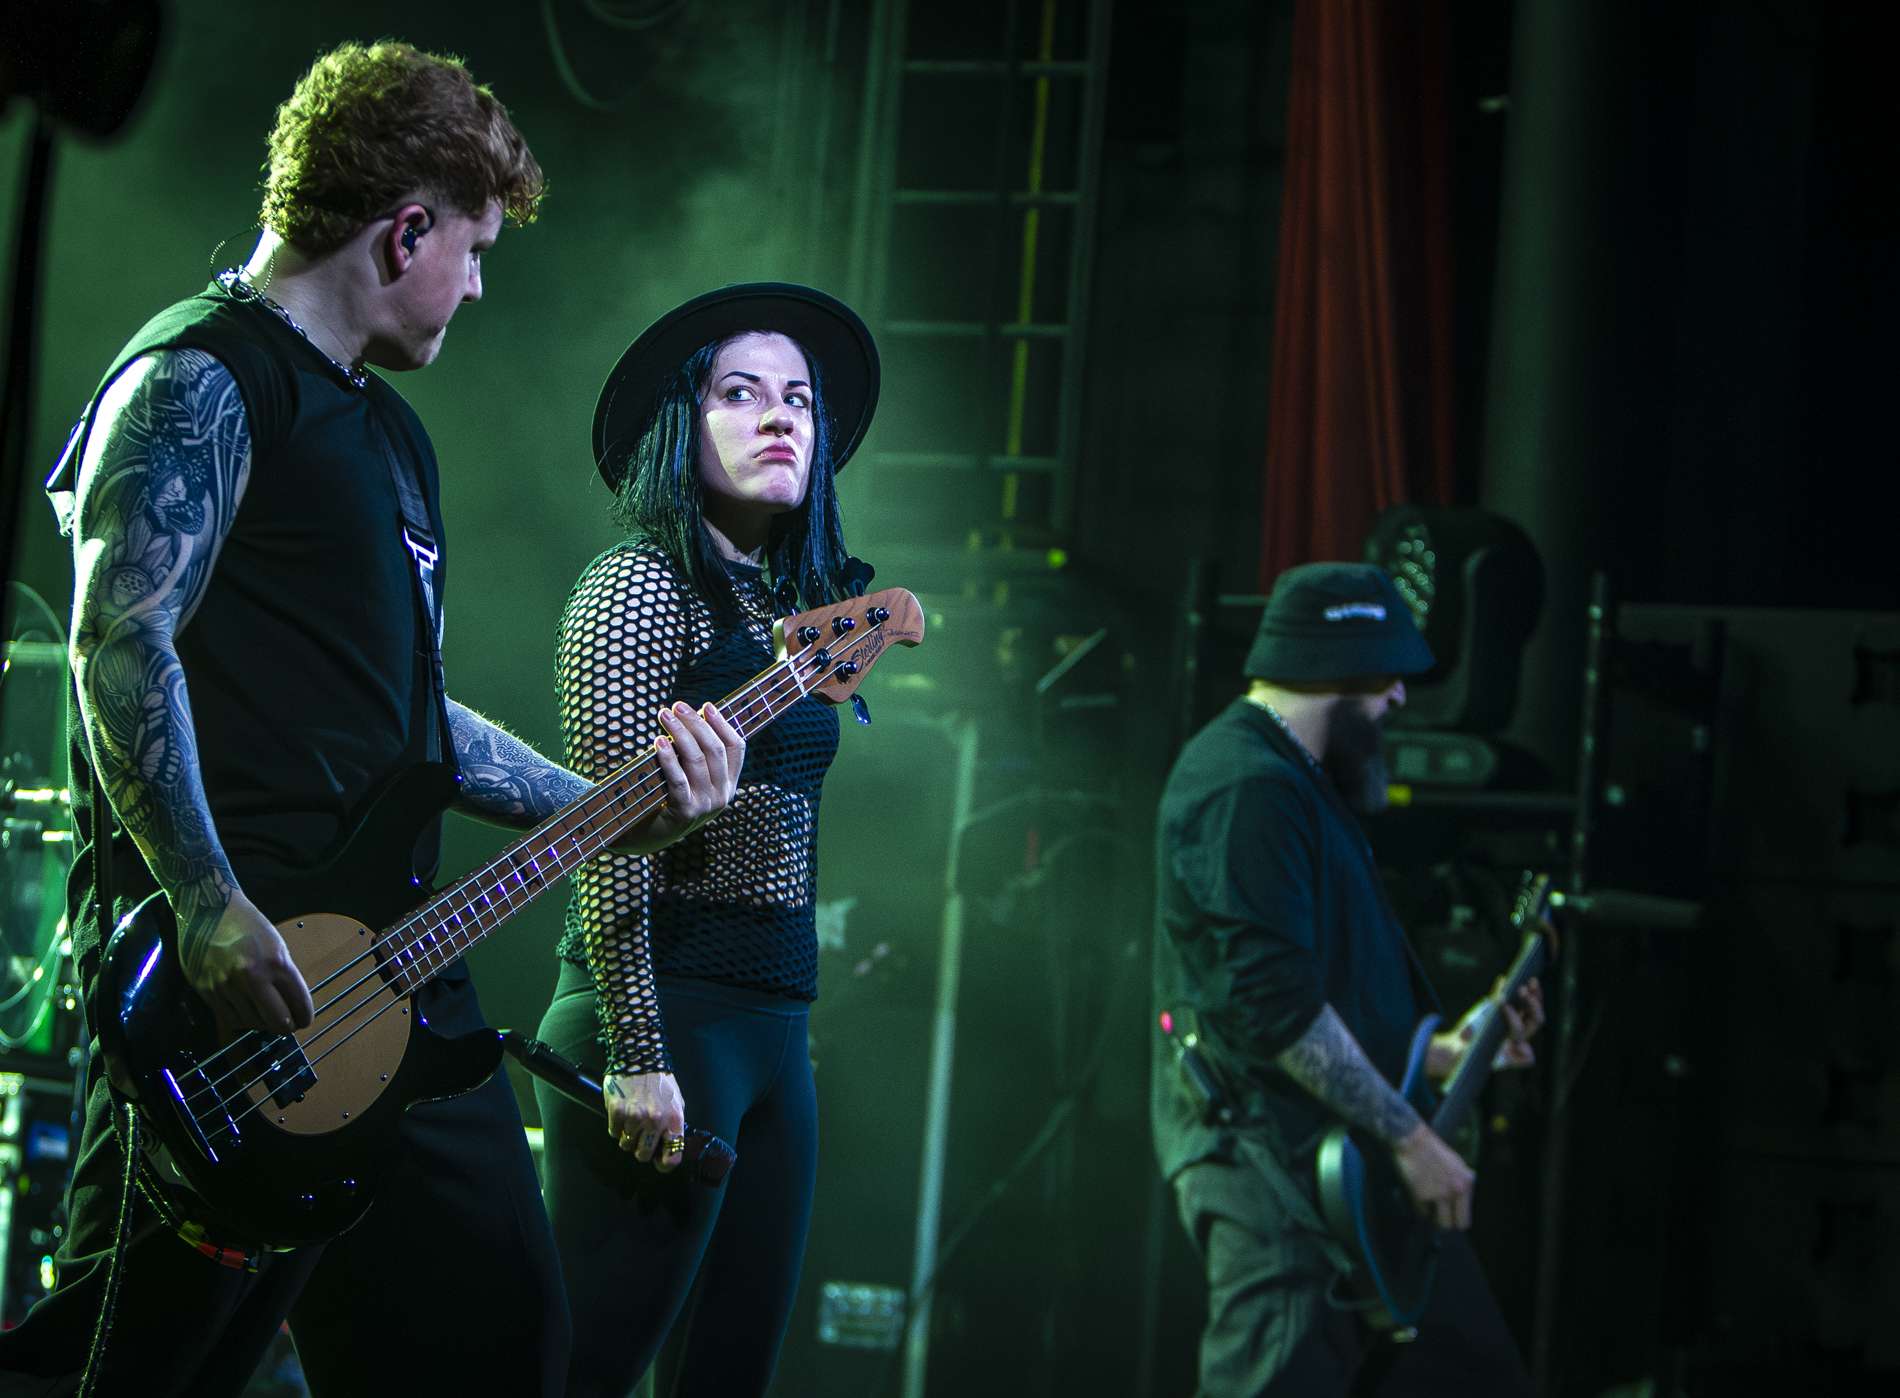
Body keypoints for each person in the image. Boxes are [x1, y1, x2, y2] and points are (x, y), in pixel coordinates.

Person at [0, 41, 745, 1398]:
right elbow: (122, 642)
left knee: (504, 1352)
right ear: (405, 230)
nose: (477, 285)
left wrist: (616, 806)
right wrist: (208, 902)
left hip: (399, 984)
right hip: (229, 1008)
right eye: (474, 249)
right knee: (133, 1373)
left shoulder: (396, 440)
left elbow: (412, 718)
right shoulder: (199, 378)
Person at [533, 282, 878, 1397]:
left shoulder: (783, 615)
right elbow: (600, 834)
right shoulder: (637, 586)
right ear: (681, 422)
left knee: (728, 1377)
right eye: (741, 394)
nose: (781, 417)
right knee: (588, 1370)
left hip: (774, 1028)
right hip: (659, 1012)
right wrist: (638, 1050)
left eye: (799, 399)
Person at [1151, 561, 1544, 1397]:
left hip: (1343, 1172)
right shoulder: (1245, 786)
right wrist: (1413, 1139)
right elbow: (1274, 1009)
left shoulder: (1297, 782)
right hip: (1278, 1182)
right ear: (1338, 665)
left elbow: (1325, 996)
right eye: (1388, 675)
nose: (1399, 697)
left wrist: (1444, 1053)